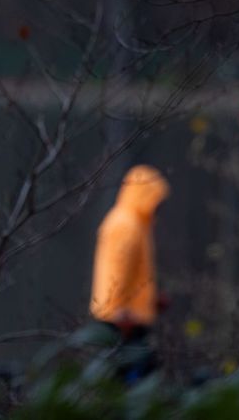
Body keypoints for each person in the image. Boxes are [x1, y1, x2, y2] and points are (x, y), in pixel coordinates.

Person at [89, 164, 170, 383]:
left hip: (131, 317)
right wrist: (120, 311)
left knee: (136, 374)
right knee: (129, 378)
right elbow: (117, 271)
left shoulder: (137, 224)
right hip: (122, 321)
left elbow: (135, 274)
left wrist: (150, 300)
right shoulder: (125, 225)